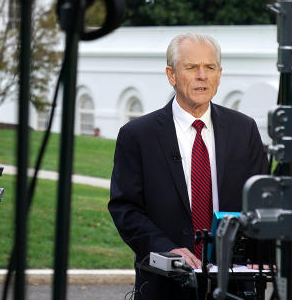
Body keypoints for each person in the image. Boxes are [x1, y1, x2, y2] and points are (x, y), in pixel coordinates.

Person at [108, 33, 268, 300]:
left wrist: (259, 252)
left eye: (210, 67)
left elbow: (261, 203)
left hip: (235, 285)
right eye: (192, 67)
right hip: (164, 284)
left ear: (219, 74)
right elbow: (125, 208)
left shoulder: (245, 129)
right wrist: (167, 250)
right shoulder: (138, 135)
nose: (202, 75)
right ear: (171, 75)